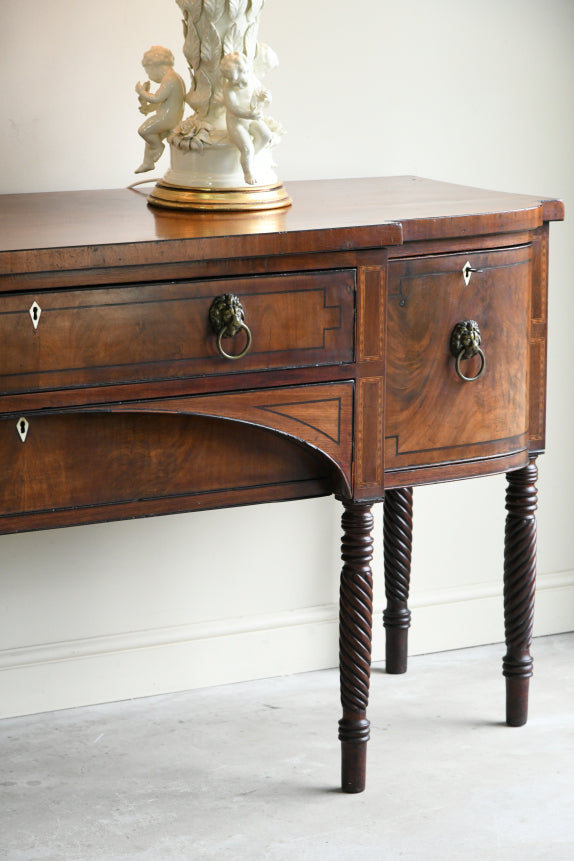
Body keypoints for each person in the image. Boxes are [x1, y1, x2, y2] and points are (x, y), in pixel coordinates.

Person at [220, 52, 274, 186]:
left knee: (266, 135)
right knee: (246, 148)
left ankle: (250, 159)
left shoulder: (253, 80)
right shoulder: (228, 88)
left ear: (246, 70)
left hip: (251, 117)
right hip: (236, 122)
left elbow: (262, 95)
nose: (238, 82)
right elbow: (234, 108)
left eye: (241, 76)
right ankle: (248, 172)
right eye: (233, 80)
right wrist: (249, 114)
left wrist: (267, 97)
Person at [135, 47, 185, 174]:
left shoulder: (170, 79)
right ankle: (148, 163)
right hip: (170, 116)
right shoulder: (173, 77)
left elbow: (157, 98)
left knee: (144, 130)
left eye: (148, 71)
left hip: (168, 118)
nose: (149, 75)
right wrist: (147, 107)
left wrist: (142, 92)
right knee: (150, 139)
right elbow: (164, 101)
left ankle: (159, 146)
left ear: (155, 67)